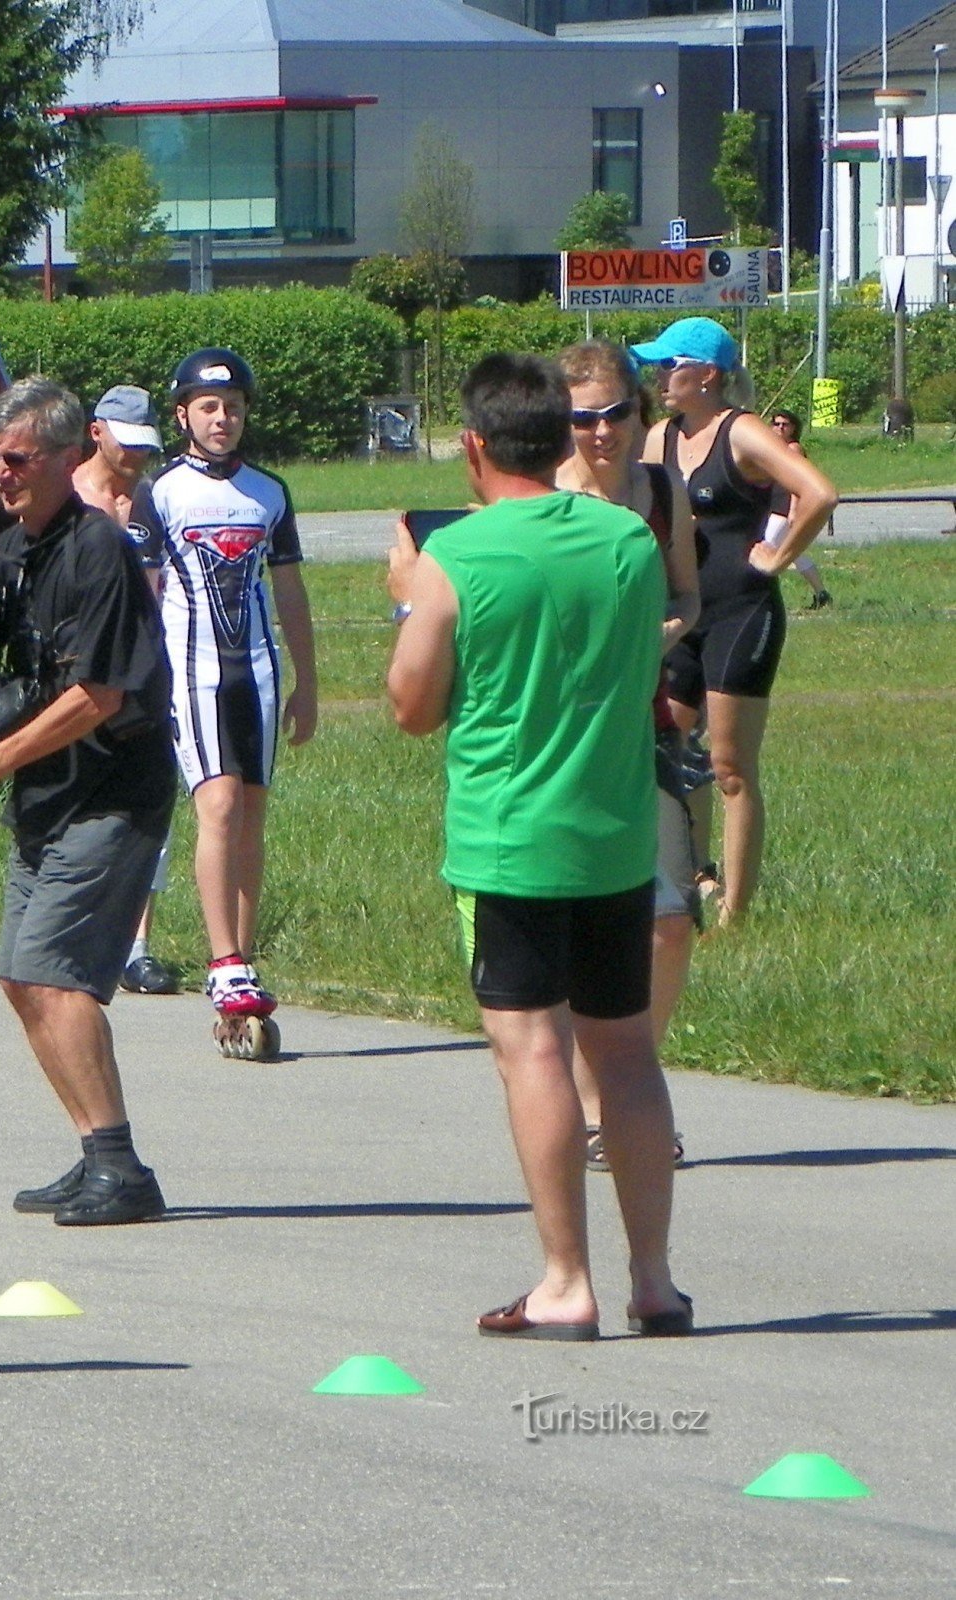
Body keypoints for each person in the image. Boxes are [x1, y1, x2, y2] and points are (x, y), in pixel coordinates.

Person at [385, 353, 688, 1341]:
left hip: (510, 843)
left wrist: (408, 598)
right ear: (563, 440)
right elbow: (644, 662)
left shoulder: (456, 558)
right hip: (613, 837)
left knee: (533, 1054)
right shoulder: (626, 540)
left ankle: (565, 1277)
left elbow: (410, 707)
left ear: (472, 447)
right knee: (626, 1052)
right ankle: (653, 1278)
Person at [0, 380, 174, 1227]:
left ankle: (119, 1168)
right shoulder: (14, 549)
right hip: (48, 794)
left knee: (55, 975)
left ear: (66, 456)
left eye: (15, 459)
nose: (0, 474)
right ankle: (94, 1150)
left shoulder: (98, 550)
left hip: (112, 792)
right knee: (22, 976)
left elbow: (97, 692)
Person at [134, 349, 317, 1058]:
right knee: (215, 804)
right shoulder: (162, 490)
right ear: (181, 414)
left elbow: (292, 592)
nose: (222, 418)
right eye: (208, 407)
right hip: (193, 671)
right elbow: (146, 594)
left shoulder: (268, 492)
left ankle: (242, 954)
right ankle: (222, 961)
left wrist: (308, 683)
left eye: (233, 406)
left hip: (258, 674)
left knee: (251, 814)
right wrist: (138, 682)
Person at [553, 342, 701, 1173]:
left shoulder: (659, 491)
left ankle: (632, 1085)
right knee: (583, 928)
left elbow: (687, 591)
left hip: (643, 728)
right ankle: (592, 1105)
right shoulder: (545, 499)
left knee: (670, 919)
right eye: (582, 417)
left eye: (615, 413)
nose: (601, 431)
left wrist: (662, 632)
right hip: (566, 739)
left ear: (640, 415)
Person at [636, 317, 837, 927]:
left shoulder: (742, 433)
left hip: (741, 612)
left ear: (709, 375)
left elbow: (819, 493)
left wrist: (776, 557)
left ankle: (734, 913)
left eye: (673, 365)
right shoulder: (658, 438)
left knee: (729, 766)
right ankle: (690, 875)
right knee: (668, 746)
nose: (662, 376)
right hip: (682, 613)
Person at [71, 384, 182, 998]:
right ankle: (82, 931)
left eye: (146, 446)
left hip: (146, 676)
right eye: (126, 443)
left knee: (145, 809)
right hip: (82, 677)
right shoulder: (69, 498)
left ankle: (137, 946)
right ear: (97, 433)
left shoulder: (150, 502)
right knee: (82, 805)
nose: (136, 457)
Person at [761, 409, 834, 609]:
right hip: (774, 503)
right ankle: (822, 594)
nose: (780, 428)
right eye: (776, 424)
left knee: (768, 544)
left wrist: (794, 510)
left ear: (794, 428)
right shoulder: (776, 447)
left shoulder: (793, 449)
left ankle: (762, 594)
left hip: (785, 506)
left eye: (785, 424)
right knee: (794, 552)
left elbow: (798, 483)